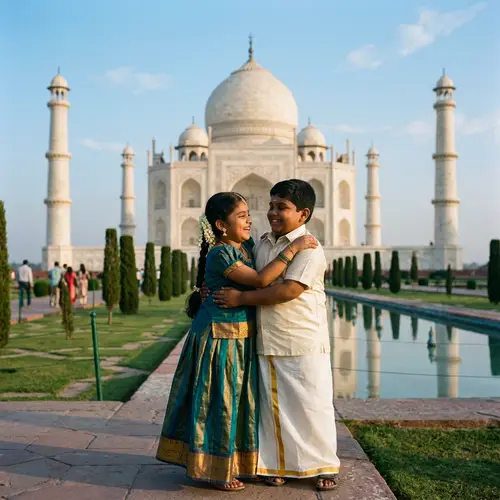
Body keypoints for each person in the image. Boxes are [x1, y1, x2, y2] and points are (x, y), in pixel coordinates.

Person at [155, 192, 317, 492]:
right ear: (220, 224)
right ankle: (215, 470)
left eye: (248, 214)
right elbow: (260, 281)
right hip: (219, 340)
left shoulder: (246, 247)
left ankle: (242, 464)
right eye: (241, 216)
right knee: (219, 403)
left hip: (240, 338)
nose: (250, 219)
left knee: (243, 403)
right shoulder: (221, 253)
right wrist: (294, 247)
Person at [214, 180, 340, 491]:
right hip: (268, 337)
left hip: (302, 338)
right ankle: (276, 465)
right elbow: (247, 277)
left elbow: (289, 290)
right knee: (273, 409)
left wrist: (241, 300)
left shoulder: (310, 247)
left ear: (303, 213)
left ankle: (323, 465)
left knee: (312, 405)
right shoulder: (264, 244)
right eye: (271, 206)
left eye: (281, 207)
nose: (272, 212)